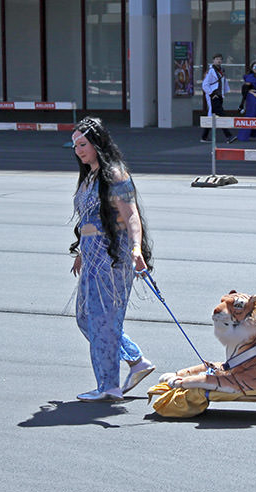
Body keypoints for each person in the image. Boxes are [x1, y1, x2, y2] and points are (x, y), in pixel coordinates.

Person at [70, 117, 156, 402]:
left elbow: (131, 215)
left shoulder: (116, 174)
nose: (78, 150)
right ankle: (135, 360)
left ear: (97, 143)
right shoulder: (90, 176)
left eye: (82, 144)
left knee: (103, 319)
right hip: (92, 254)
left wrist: (136, 249)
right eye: (75, 145)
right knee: (86, 318)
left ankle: (108, 385)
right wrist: (81, 252)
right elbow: (89, 219)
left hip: (112, 255)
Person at [201, 53, 236, 143]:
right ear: (213, 60)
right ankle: (229, 135)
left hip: (219, 96)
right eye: (217, 59)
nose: (219, 60)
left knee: (212, 116)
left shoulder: (221, 70)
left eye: (220, 59)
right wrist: (212, 94)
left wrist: (224, 92)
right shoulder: (211, 71)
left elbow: (223, 82)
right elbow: (205, 85)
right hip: (214, 96)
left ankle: (204, 136)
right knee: (221, 114)